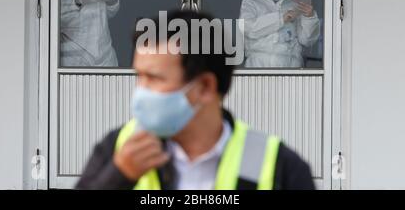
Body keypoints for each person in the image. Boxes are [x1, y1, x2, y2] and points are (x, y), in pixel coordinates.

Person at [76, 10, 315, 190]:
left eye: (154, 78)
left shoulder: (277, 166)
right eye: (139, 76)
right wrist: (118, 177)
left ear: (205, 87)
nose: (141, 91)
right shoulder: (119, 148)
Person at [239, 0, 320, 68]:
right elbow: (248, 28)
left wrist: (309, 17)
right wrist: (281, 19)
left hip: (290, 69)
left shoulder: (294, 5)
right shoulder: (251, 3)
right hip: (258, 68)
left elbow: (306, 40)